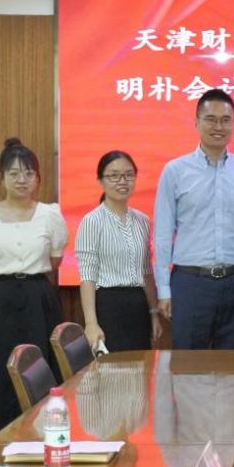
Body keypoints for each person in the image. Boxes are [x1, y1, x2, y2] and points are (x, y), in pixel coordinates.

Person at [0, 138, 68, 434]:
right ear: (2, 178)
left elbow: (54, 260)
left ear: (38, 178)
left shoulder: (50, 215)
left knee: (40, 366)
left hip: (38, 299)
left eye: (29, 173)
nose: (22, 180)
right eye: (14, 173)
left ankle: (43, 431)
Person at [153, 89, 234, 349]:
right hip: (190, 283)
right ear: (196, 122)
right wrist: (164, 290)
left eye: (225, 120)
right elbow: (163, 235)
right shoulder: (175, 171)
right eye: (210, 119)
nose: (218, 127)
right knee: (188, 364)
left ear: (233, 123)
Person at [75, 150, 161, 352]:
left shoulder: (142, 221)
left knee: (141, 366)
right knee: (112, 368)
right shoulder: (92, 221)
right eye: (114, 176)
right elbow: (87, 277)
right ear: (100, 181)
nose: (122, 181)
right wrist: (91, 323)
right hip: (108, 305)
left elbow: (146, 271)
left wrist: (154, 313)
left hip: (138, 305)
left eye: (128, 175)